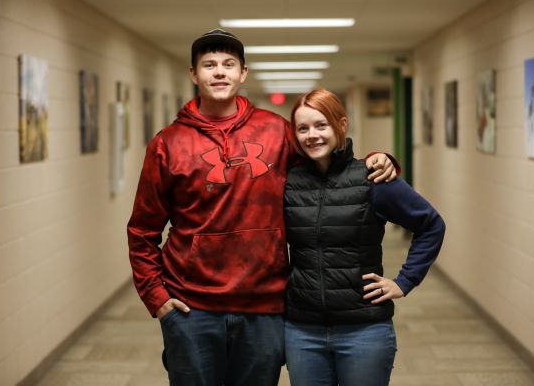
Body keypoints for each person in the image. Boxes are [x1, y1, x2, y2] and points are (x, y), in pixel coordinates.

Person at [127, 29, 398, 386]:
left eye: (228, 64)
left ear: (243, 73)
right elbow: (142, 231)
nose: (219, 72)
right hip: (192, 306)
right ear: (193, 75)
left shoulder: (275, 130)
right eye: (209, 65)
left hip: (265, 306)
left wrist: (380, 160)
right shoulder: (168, 143)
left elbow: (325, 173)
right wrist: (157, 298)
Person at [283, 88, 446, 386]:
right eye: (302, 128)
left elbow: (431, 224)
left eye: (321, 125)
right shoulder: (288, 182)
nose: (312, 135)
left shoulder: (372, 179)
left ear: (341, 124)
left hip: (363, 331)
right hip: (302, 330)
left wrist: (404, 281)